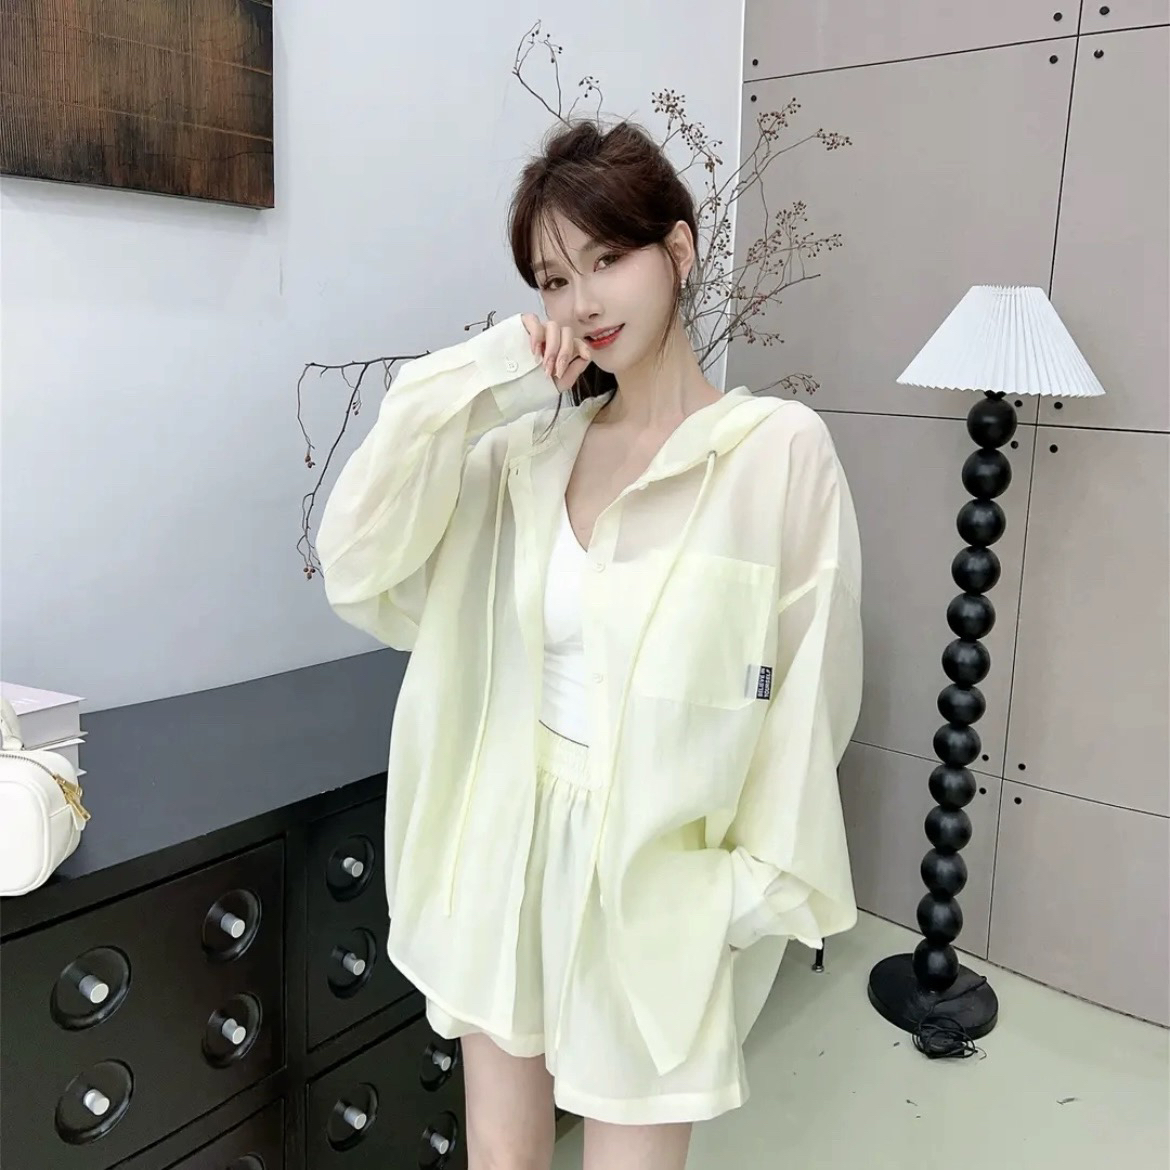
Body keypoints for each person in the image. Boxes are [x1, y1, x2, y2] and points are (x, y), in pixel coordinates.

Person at [317, 119, 863, 1170]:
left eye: (608, 259)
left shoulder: (776, 455)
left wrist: (737, 897)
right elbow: (359, 565)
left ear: (679, 249)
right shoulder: (523, 458)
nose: (583, 303)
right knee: (502, 1159)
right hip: (504, 848)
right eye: (554, 279)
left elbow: (812, 695)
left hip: (657, 880)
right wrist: (491, 373)